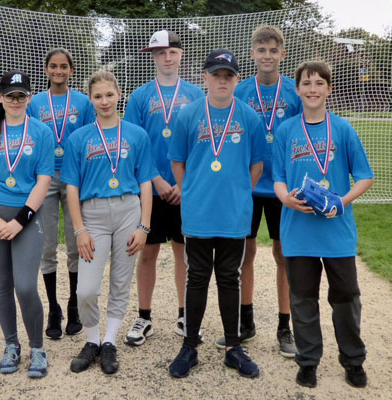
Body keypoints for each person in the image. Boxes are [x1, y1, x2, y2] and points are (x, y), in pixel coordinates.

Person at [272, 61, 374, 388]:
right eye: (306, 83)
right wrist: (286, 198)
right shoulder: (286, 130)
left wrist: (342, 202)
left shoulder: (342, 129)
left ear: (329, 89)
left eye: (319, 83)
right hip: (298, 230)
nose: (312, 89)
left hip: (336, 232)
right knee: (303, 299)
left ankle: (353, 360)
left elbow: (365, 176)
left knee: (346, 297)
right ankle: (308, 361)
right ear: (297, 90)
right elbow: (278, 177)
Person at [167, 49, 268, 379]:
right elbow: (177, 161)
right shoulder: (188, 114)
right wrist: (192, 191)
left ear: (237, 79)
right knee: (197, 276)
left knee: (228, 277)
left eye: (228, 76)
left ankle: (233, 348)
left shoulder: (250, 117)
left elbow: (257, 165)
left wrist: (239, 192)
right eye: (216, 75)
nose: (222, 81)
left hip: (233, 213)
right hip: (198, 211)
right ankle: (190, 346)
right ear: (205, 77)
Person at [60, 71, 157, 375]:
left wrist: (144, 226)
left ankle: (109, 341)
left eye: (109, 95)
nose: (104, 101)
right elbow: (71, 187)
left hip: (128, 210)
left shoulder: (137, 135)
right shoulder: (79, 138)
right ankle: (92, 340)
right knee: (86, 289)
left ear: (119, 95)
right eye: (98, 96)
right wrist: (79, 229)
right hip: (93, 214)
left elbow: (145, 183)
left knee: (120, 281)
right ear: (90, 99)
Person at [214, 25, 302, 356]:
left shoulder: (294, 92)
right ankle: (245, 322)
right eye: (261, 50)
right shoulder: (240, 90)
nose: (267, 56)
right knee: (245, 255)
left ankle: (284, 327)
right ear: (252, 53)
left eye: (273, 50)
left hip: (283, 187)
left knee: (284, 255)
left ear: (282, 54)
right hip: (248, 186)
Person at [123, 30, 205, 346]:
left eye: (172, 52)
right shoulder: (140, 96)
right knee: (147, 253)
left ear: (181, 55)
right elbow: (133, 143)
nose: (167, 58)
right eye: (160, 53)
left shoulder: (196, 94)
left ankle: (185, 316)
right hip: (150, 189)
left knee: (184, 254)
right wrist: (157, 179)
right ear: (153, 57)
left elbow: (202, 143)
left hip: (186, 189)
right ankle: (144, 317)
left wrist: (184, 183)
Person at [0, 71, 54, 377]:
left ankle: (38, 348)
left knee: (26, 286)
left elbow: (44, 180)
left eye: (21, 96)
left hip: (26, 218)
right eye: (10, 96)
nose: (15, 101)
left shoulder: (41, 132)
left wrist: (20, 220)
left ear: (29, 98)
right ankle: (11, 345)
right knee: (2, 283)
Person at [28, 48, 95, 340]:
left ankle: (74, 306)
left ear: (71, 70)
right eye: (53, 66)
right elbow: (29, 137)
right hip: (44, 177)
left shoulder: (82, 102)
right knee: (46, 247)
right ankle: (54, 308)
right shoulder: (35, 103)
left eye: (64, 66)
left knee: (75, 243)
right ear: (46, 70)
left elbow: (91, 138)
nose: (58, 71)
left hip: (73, 178)